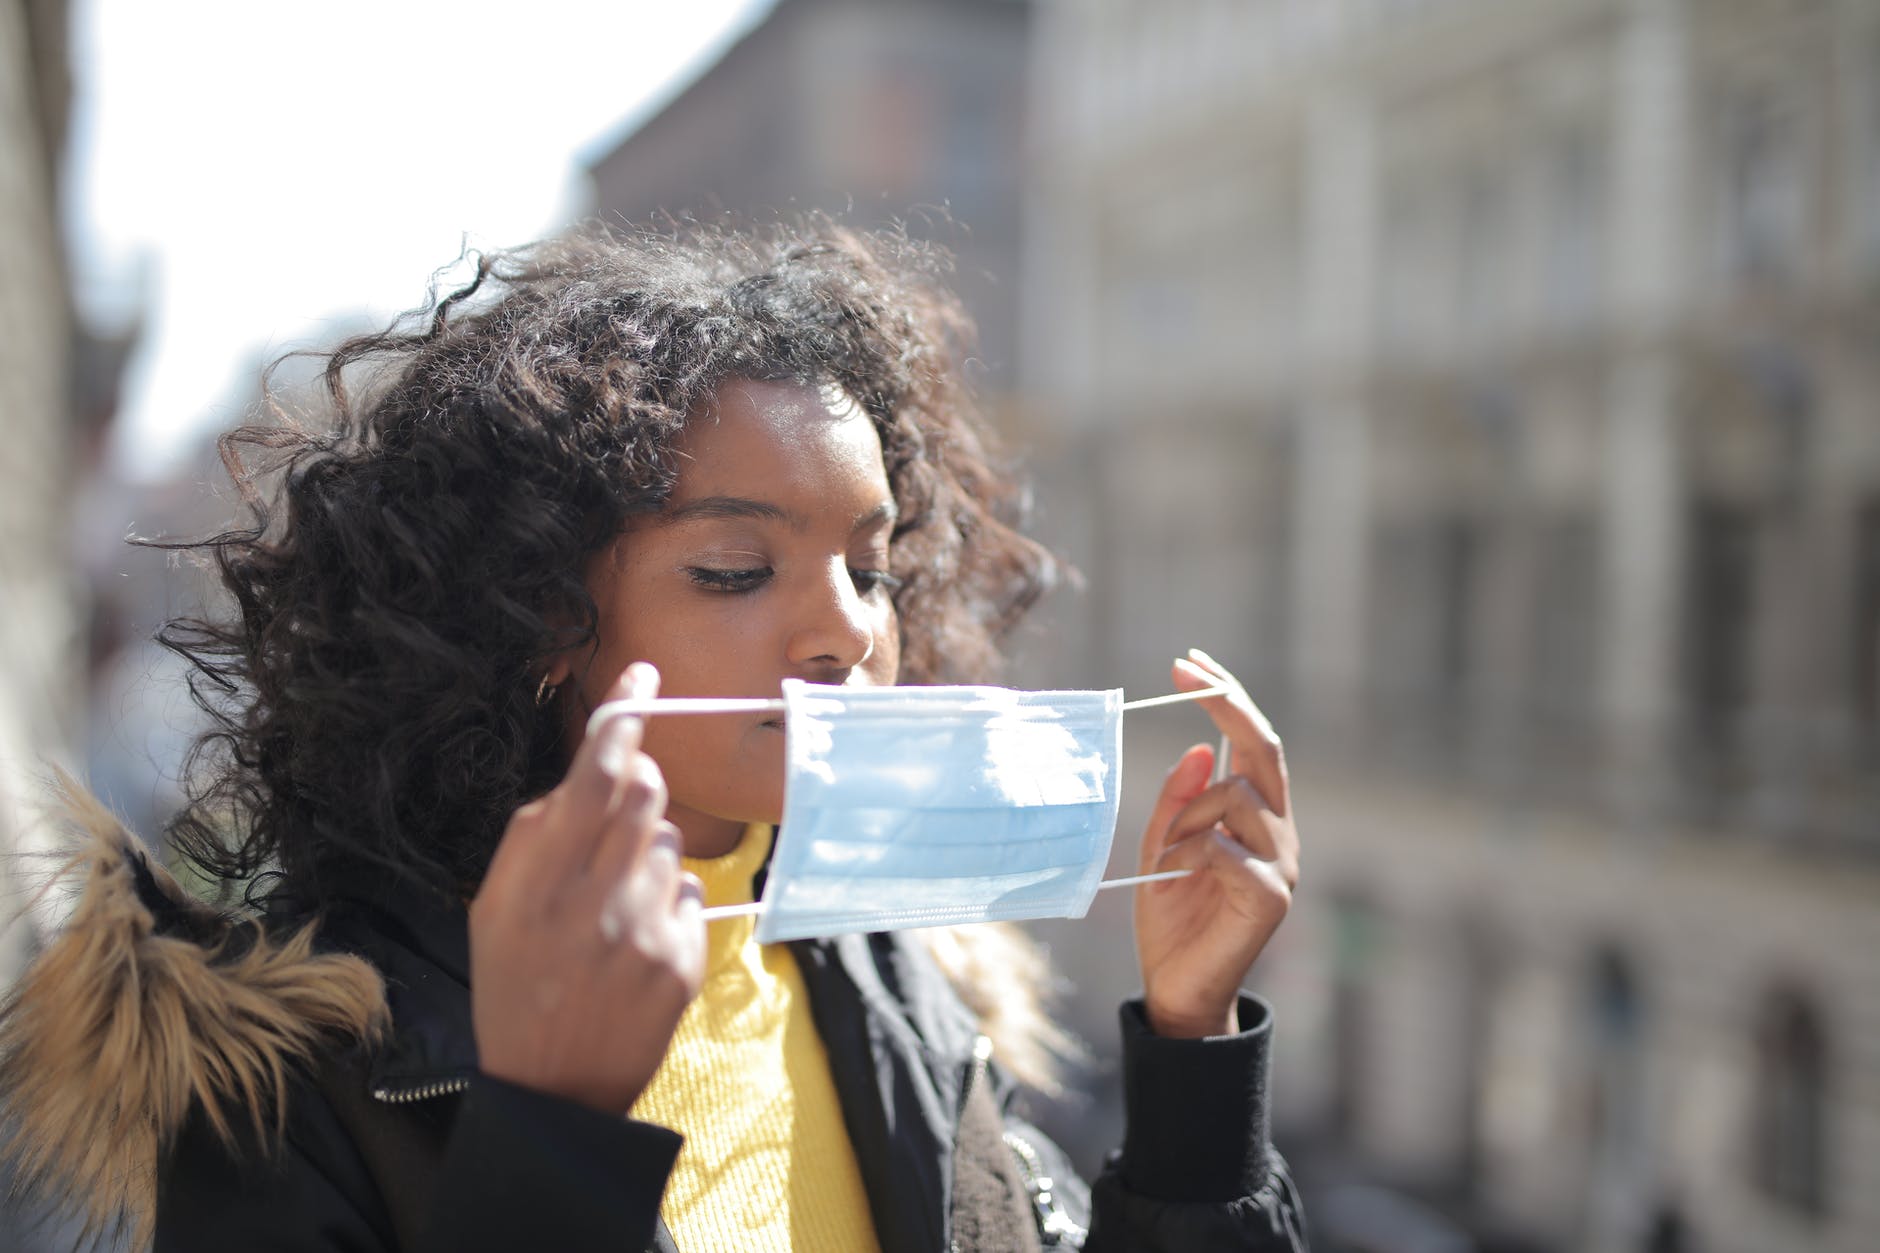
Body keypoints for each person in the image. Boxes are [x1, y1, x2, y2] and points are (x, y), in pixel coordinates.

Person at [0, 221, 1308, 1251]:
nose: (844, 632)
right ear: (540, 613)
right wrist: (549, 1137)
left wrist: (1195, 1053)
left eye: (872, 565)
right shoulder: (293, 1069)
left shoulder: (910, 976)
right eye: (738, 568)